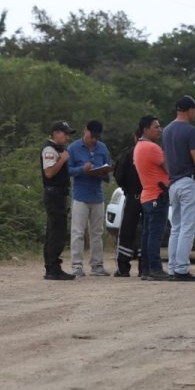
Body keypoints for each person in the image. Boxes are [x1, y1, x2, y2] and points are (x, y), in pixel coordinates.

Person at [163, 95, 195, 282]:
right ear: (189, 110)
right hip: (189, 182)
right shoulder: (190, 130)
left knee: (176, 227)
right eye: (194, 109)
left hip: (173, 182)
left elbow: (165, 158)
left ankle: (173, 267)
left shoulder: (166, 130)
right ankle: (182, 268)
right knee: (187, 228)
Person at [67, 119, 113, 277]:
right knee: (78, 232)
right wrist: (82, 169)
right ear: (85, 130)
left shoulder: (102, 148)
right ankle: (77, 265)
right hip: (80, 195)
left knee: (97, 233)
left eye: (96, 137)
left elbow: (108, 167)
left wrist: (103, 172)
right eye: (91, 136)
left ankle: (97, 265)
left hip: (97, 195)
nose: (94, 139)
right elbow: (68, 170)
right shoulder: (73, 148)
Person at [134, 115, 171, 281]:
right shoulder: (152, 148)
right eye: (156, 126)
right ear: (146, 129)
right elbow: (169, 168)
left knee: (148, 234)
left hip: (148, 196)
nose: (159, 129)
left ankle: (146, 269)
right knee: (155, 235)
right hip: (158, 194)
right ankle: (155, 269)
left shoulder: (139, 146)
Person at [40, 121, 76, 280]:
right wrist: (62, 159)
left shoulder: (58, 150)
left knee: (55, 230)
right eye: (65, 133)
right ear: (55, 133)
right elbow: (49, 173)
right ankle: (53, 267)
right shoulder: (50, 149)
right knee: (56, 232)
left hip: (58, 194)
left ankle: (51, 266)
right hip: (54, 194)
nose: (67, 137)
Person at [112, 131, 143, 277]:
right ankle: (145, 267)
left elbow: (118, 175)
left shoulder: (127, 154)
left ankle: (123, 268)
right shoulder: (155, 151)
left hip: (132, 197)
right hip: (148, 197)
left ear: (135, 137)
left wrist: (127, 189)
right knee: (146, 231)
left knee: (126, 231)